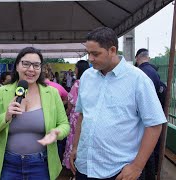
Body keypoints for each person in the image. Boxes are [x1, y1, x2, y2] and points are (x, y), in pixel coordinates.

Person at [69, 27, 166, 180]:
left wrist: (137, 167)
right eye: (88, 53)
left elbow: (154, 125)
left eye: (95, 53)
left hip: (118, 171)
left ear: (112, 50)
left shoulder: (138, 79)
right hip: (85, 167)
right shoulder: (87, 77)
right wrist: (75, 148)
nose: (90, 58)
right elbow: (82, 115)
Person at [0, 47, 69, 180]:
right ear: (17, 66)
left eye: (36, 65)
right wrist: (5, 117)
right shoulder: (2, 92)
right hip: (8, 164)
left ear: (40, 69)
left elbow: (64, 125)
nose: (31, 69)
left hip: (41, 164)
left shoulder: (51, 93)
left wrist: (56, 133)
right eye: (26, 64)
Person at [135, 48, 163, 180]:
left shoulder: (139, 74)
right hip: (152, 116)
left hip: (140, 120)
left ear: (137, 58)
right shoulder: (154, 73)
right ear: (148, 58)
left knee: (142, 154)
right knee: (150, 152)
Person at [62, 60, 89, 172]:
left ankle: (72, 166)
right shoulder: (90, 82)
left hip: (76, 117)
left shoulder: (77, 83)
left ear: (79, 69)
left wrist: (66, 114)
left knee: (73, 139)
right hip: (87, 115)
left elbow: (71, 103)